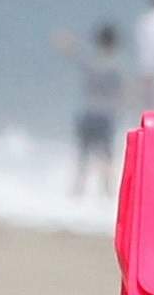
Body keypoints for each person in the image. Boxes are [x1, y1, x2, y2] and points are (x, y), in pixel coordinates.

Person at [54, 22, 126, 196]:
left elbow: (75, 53)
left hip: (89, 113)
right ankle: (108, 196)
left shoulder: (92, 61)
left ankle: (77, 194)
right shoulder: (116, 65)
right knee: (107, 159)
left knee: (83, 158)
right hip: (106, 116)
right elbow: (123, 92)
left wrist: (65, 42)